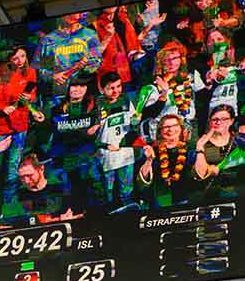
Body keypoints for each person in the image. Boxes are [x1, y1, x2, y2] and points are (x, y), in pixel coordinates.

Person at [0, 45, 43, 214]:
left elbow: (30, 98)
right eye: (15, 58)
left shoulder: (30, 74)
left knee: (13, 171)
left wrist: (33, 108)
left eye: (22, 56)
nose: (20, 61)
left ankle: (8, 209)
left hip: (20, 128)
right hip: (0, 129)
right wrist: (2, 107)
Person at [33, 75, 102, 212]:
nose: (77, 89)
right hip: (63, 157)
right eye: (74, 86)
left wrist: (96, 128)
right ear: (67, 88)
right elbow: (47, 129)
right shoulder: (56, 109)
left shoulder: (94, 108)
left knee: (93, 188)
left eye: (81, 86)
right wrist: (41, 122)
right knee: (65, 193)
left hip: (86, 155)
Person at [95, 72, 147, 208]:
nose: (115, 91)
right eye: (111, 88)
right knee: (108, 190)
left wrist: (136, 120)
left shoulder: (125, 100)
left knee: (127, 190)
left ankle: (129, 211)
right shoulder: (97, 104)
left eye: (118, 86)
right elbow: (91, 135)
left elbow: (133, 123)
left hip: (125, 154)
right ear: (102, 89)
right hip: (107, 156)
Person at [139, 40, 206, 141]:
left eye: (175, 58)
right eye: (166, 59)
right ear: (160, 61)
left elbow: (203, 100)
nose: (171, 62)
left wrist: (209, 83)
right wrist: (164, 94)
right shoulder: (152, 83)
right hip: (162, 132)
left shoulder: (191, 76)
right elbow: (148, 114)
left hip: (187, 131)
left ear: (181, 59)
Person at [0, 154, 83, 226]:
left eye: (29, 175)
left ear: (41, 169)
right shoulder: (17, 196)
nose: (26, 181)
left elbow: (78, 213)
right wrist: (57, 220)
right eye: (22, 177)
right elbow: (8, 223)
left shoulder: (61, 187)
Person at [33, 13, 102, 96]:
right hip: (60, 93)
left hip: (85, 90)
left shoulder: (89, 34)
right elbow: (42, 70)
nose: (72, 16)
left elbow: (97, 60)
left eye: (75, 13)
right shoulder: (49, 40)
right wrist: (53, 76)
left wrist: (86, 65)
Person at [194, 105, 245, 201]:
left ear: (231, 121)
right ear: (209, 121)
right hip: (211, 197)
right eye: (214, 119)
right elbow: (201, 174)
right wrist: (200, 147)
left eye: (224, 119)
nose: (218, 122)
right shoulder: (203, 143)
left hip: (243, 193)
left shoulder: (242, 140)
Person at [138, 114, 195, 209]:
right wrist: (149, 160)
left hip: (185, 200)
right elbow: (142, 181)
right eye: (166, 127)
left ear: (181, 128)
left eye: (174, 126)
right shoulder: (152, 150)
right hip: (158, 202)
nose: (170, 130)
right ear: (160, 131)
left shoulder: (190, 150)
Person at [172, 0, 243, 58]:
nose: (213, 38)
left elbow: (175, 9)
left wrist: (183, 21)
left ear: (208, 45)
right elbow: (238, 18)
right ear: (225, 38)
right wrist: (224, 22)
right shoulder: (228, 25)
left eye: (211, 43)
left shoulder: (195, 38)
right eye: (219, 39)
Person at [93, 6, 143, 87]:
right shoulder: (94, 27)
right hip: (106, 79)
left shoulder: (123, 22)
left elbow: (133, 46)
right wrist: (108, 37)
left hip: (126, 75)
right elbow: (93, 55)